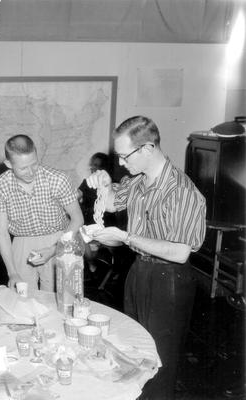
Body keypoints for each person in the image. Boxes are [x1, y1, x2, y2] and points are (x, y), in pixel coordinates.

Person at [86, 116, 206, 400]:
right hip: (139, 270)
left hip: (170, 280)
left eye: (124, 156)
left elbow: (180, 252)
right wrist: (105, 182)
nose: (121, 163)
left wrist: (126, 237)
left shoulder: (182, 191)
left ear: (148, 149)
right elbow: (114, 201)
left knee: (159, 362)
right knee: (135, 350)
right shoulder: (139, 180)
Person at [0, 134, 84, 291]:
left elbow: (77, 219)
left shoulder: (57, 179)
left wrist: (55, 249)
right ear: (9, 164)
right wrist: (12, 273)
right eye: (23, 168)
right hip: (21, 241)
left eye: (34, 164)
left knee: (59, 297)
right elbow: (2, 233)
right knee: (21, 298)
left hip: (59, 238)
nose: (31, 172)